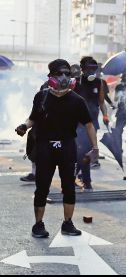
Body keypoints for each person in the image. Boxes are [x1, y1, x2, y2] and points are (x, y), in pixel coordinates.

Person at [15, 59, 99, 238]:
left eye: (67, 74)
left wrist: (95, 148)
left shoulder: (77, 100)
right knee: (42, 187)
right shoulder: (41, 96)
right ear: (50, 76)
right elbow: (33, 118)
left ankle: (67, 224)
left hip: (68, 146)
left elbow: (89, 124)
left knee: (69, 187)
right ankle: (38, 225)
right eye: (59, 73)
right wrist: (24, 125)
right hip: (45, 146)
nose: (64, 77)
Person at [74, 56, 110, 190]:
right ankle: (81, 178)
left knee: (87, 151)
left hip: (92, 123)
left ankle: (86, 180)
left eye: (94, 69)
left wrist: (105, 114)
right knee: (79, 152)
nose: (91, 72)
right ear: (82, 69)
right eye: (89, 69)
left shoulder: (99, 83)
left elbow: (101, 102)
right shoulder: (75, 82)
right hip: (78, 123)